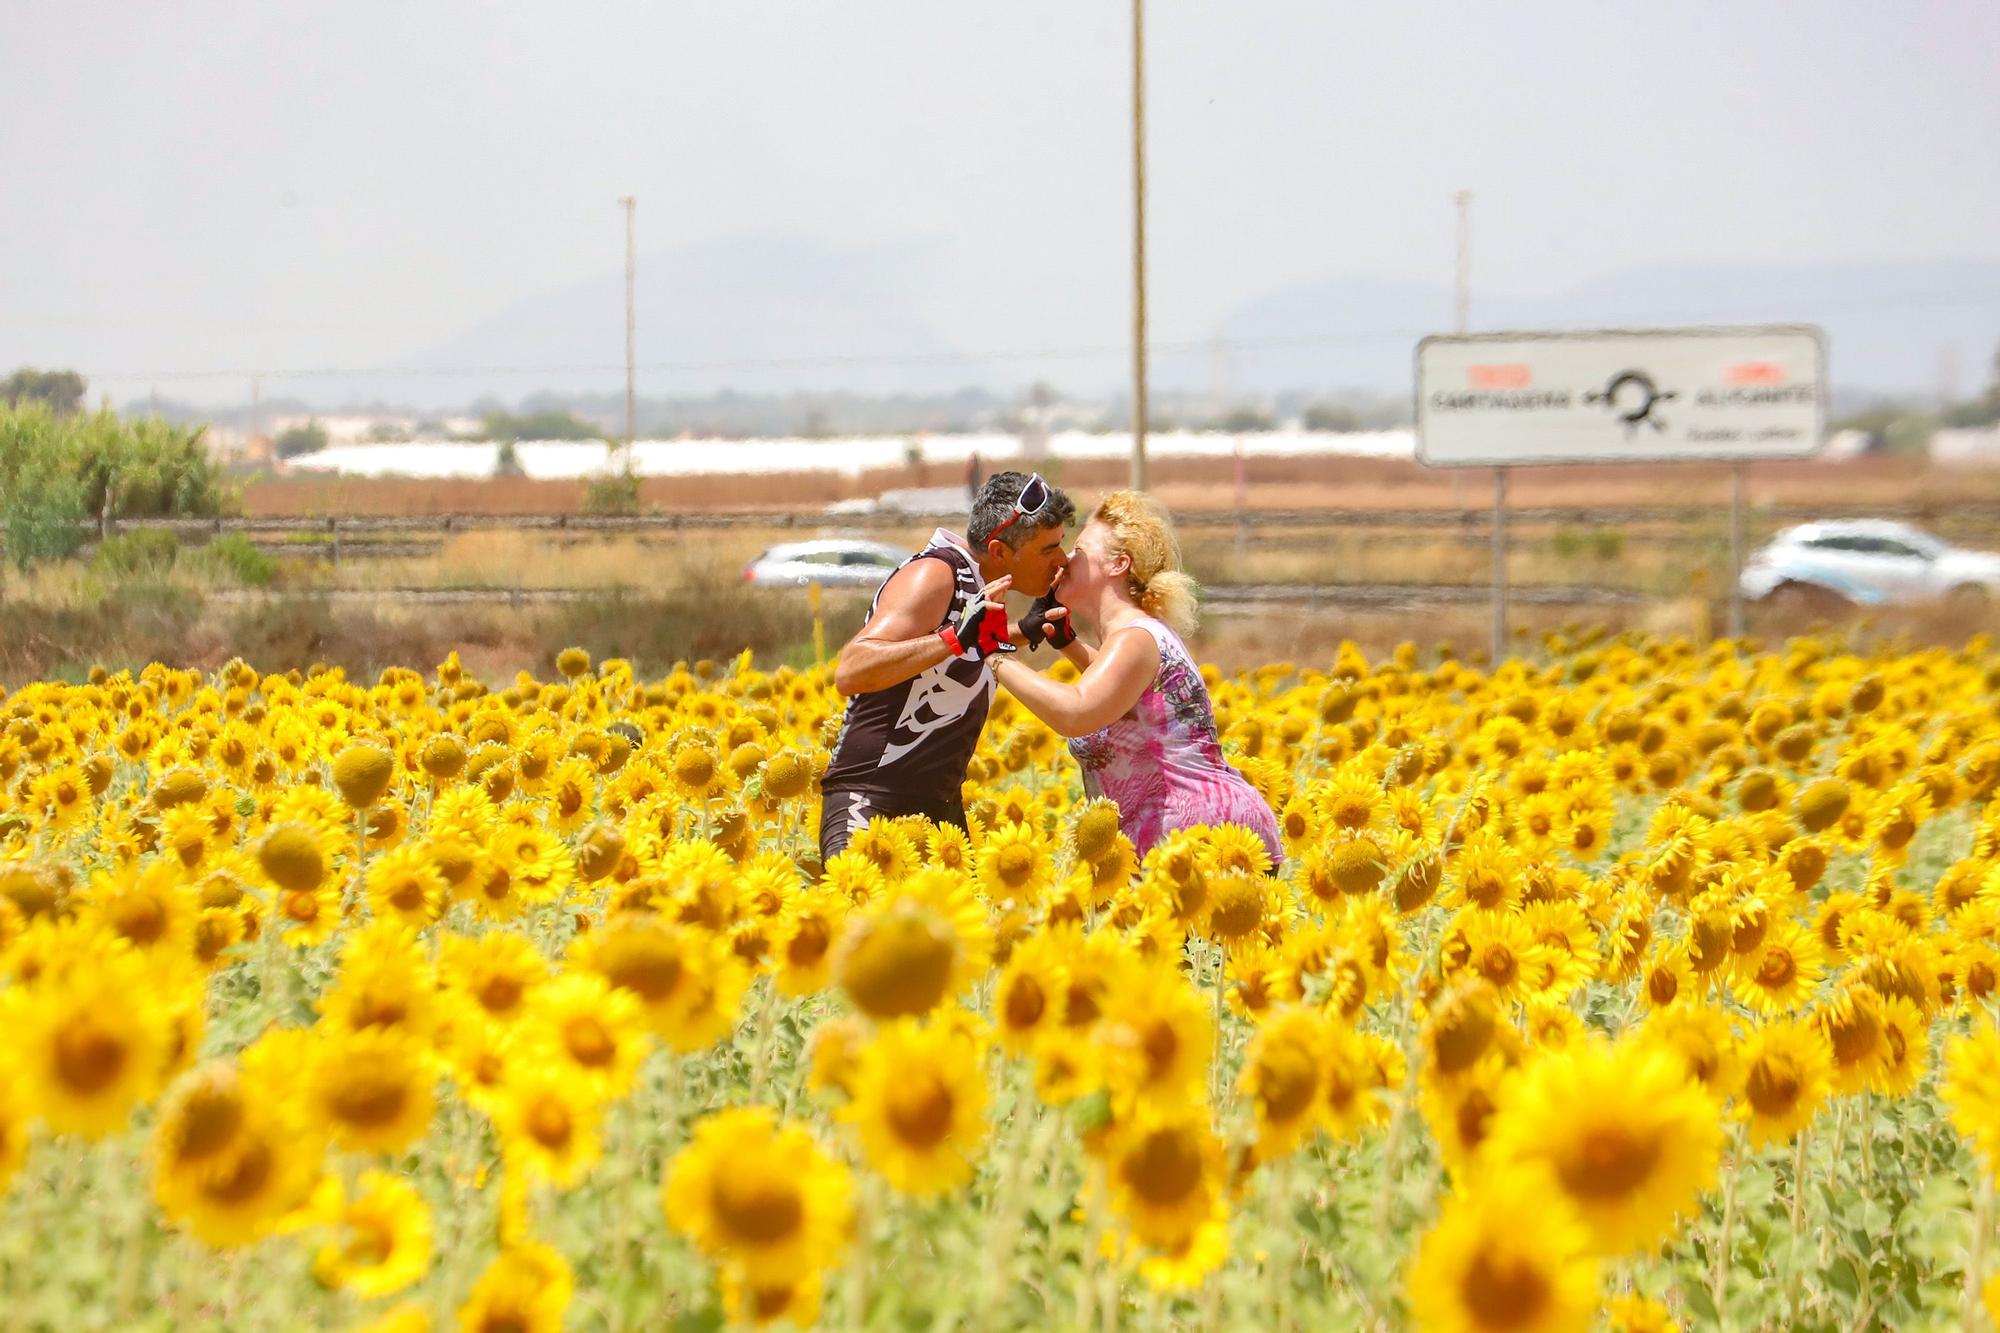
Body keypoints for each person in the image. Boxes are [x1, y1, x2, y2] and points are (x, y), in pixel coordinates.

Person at [991, 490, 1282, 867]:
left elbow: (1077, 712)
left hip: (1198, 844)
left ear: (1118, 565)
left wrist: (992, 656)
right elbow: (1130, 703)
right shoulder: (1139, 635)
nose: (1065, 559)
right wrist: (1067, 644)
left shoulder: (1134, 638)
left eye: (1079, 549)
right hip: (1200, 838)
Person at [819, 471, 1077, 860]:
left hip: (940, 805)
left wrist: (1024, 631)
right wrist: (954, 637)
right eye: (1047, 550)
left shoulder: (977, 583)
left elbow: (964, 647)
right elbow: (852, 669)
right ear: (999, 552)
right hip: (872, 798)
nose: (1062, 559)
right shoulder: (935, 576)